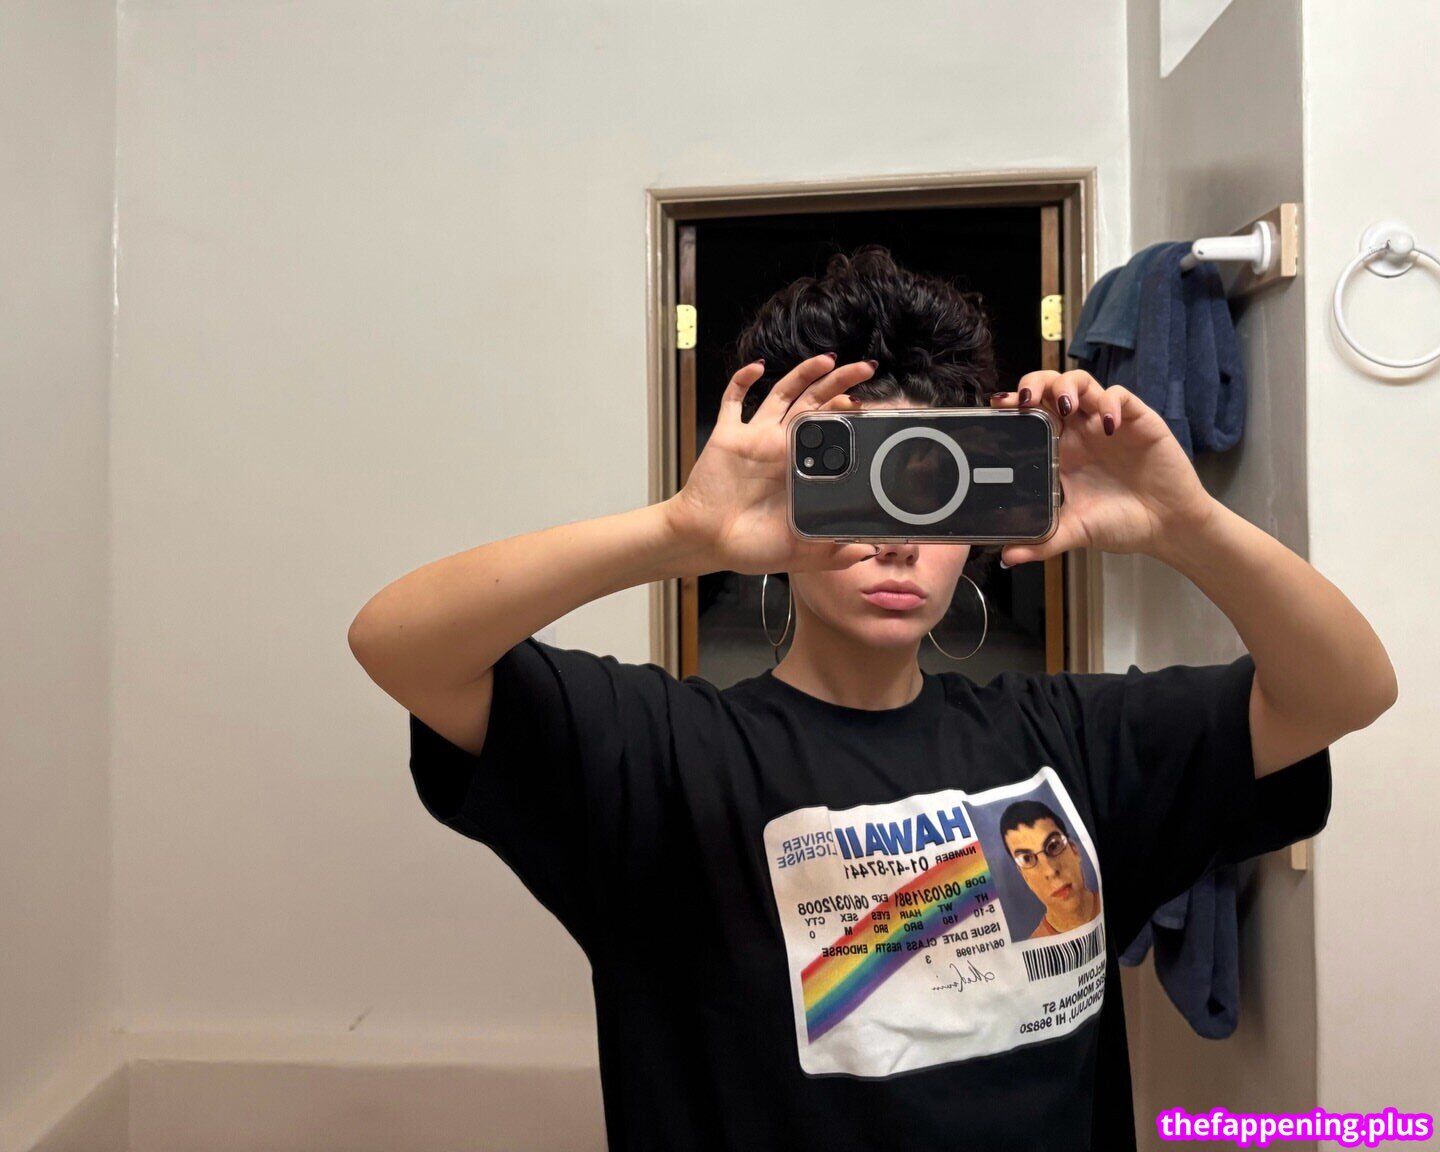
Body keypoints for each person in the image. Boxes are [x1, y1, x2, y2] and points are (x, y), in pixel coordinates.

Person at [349, 246, 1396, 1152]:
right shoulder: (663, 760)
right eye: (856, 486)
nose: (895, 539)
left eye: (929, 489)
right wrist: (680, 534)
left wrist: (1183, 524)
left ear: (977, 520)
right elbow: (401, 645)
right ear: (790, 496)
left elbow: (1347, 689)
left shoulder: (1073, 744)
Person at [999, 799, 1102, 939]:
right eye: (1027, 859)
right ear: (1024, 876)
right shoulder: (1035, 948)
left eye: (1054, 846)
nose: (1050, 871)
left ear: (1074, 850)